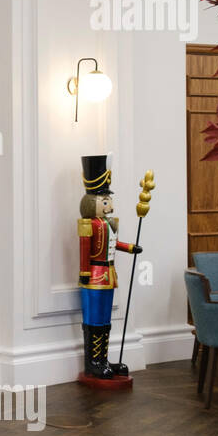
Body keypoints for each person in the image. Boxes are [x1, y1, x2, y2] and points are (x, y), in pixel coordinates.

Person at [77, 154, 142, 379]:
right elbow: (85, 250)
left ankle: (103, 359)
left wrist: (131, 247)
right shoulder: (89, 224)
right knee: (94, 319)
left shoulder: (109, 224)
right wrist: (84, 273)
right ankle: (93, 362)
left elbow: (114, 244)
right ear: (91, 202)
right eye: (104, 201)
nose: (109, 205)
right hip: (94, 276)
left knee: (105, 320)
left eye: (109, 200)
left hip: (109, 275)